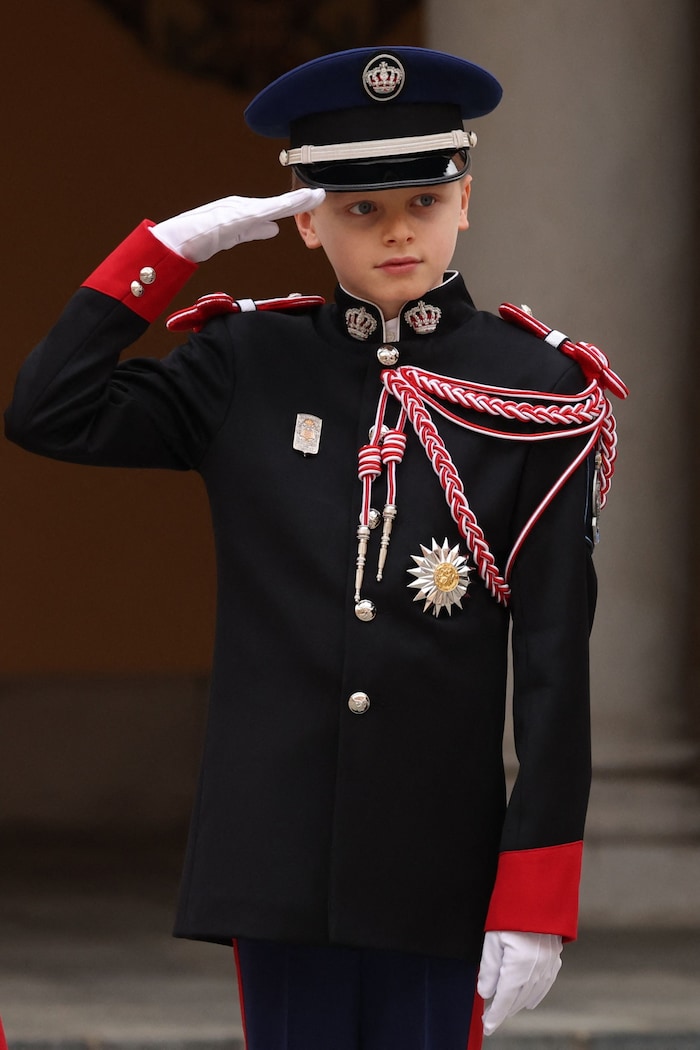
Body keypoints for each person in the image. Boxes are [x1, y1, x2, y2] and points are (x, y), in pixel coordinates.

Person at [5, 45, 626, 1050]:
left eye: (422, 202)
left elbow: (555, 665)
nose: (395, 232)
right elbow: (48, 411)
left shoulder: (536, 394)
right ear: (306, 221)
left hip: (440, 858)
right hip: (277, 851)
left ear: (465, 201)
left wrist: (536, 893)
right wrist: (171, 249)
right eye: (358, 209)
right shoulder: (245, 364)